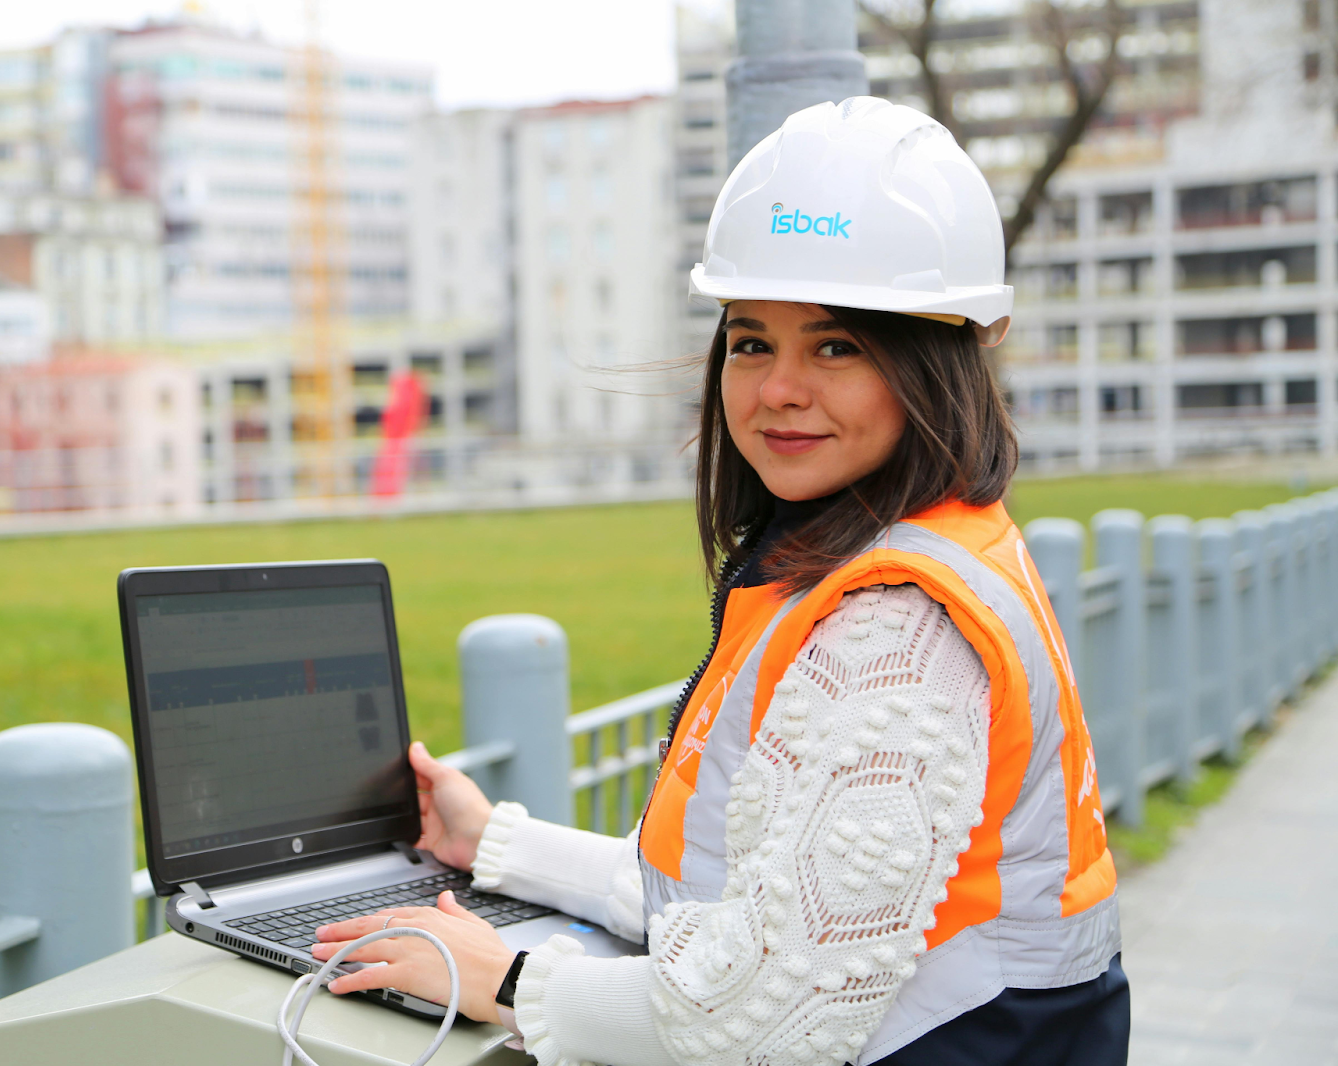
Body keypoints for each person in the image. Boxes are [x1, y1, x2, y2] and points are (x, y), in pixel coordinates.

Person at [312, 98, 1128, 1066]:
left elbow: (764, 1012)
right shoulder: (881, 553)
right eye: (751, 341)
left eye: (838, 345)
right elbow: (747, 895)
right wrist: (496, 843)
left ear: (934, 365)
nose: (777, 388)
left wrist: (500, 979)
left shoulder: (896, 629)